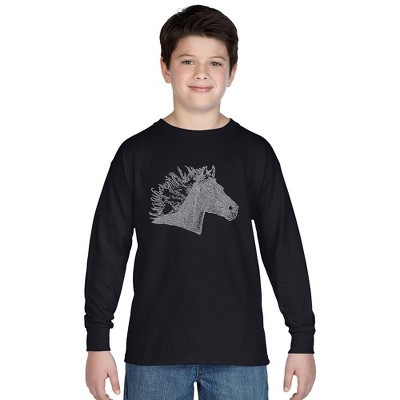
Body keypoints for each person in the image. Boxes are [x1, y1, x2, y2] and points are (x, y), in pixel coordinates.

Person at [84, 4, 316, 400]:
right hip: (154, 352)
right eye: (188, 61)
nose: (202, 73)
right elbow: (108, 250)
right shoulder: (136, 155)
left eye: (215, 62)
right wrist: (97, 341)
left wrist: (302, 340)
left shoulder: (254, 154)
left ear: (232, 72)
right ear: (165, 68)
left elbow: (283, 248)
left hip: (239, 354)